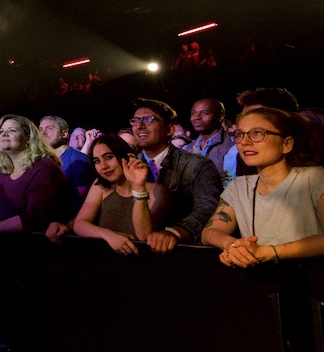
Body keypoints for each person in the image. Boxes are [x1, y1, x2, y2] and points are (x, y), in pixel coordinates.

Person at [201, 107, 324, 267]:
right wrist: (233, 247)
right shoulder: (239, 186)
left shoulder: (313, 178)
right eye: (240, 134)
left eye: (257, 133)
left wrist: (270, 252)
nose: (245, 141)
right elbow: (210, 232)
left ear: (286, 144)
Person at [0, 115, 72, 262]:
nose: (4, 133)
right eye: (2, 130)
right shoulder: (2, 173)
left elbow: (36, 217)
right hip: (5, 256)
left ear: (28, 138)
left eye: (12, 130)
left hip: (37, 256)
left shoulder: (43, 167)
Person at [129, 98, 221, 253]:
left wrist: (174, 232)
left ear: (170, 130)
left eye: (148, 120)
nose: (139, 125)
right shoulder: (128, 165)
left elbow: (207, 208)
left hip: (181, 251)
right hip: (134, 248)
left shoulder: (197, 165)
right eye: (135, 120)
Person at [73, 134, 169, 255]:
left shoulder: (157, 191)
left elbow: (143, 235)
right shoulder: (100, 186)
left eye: (108, 157)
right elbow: (79, 224)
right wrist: (108, 235)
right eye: (97, 161)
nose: (103, 166)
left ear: (126, 156)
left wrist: (138, 188)